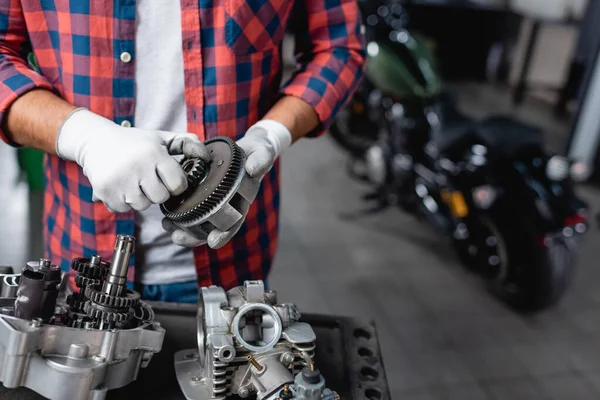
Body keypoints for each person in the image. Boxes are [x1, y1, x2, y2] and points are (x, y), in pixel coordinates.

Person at [0, 0, 365, 302]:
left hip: (233, 261)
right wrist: (84, 137)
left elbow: (338, 46)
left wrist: (270, 134)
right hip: (82, 258)